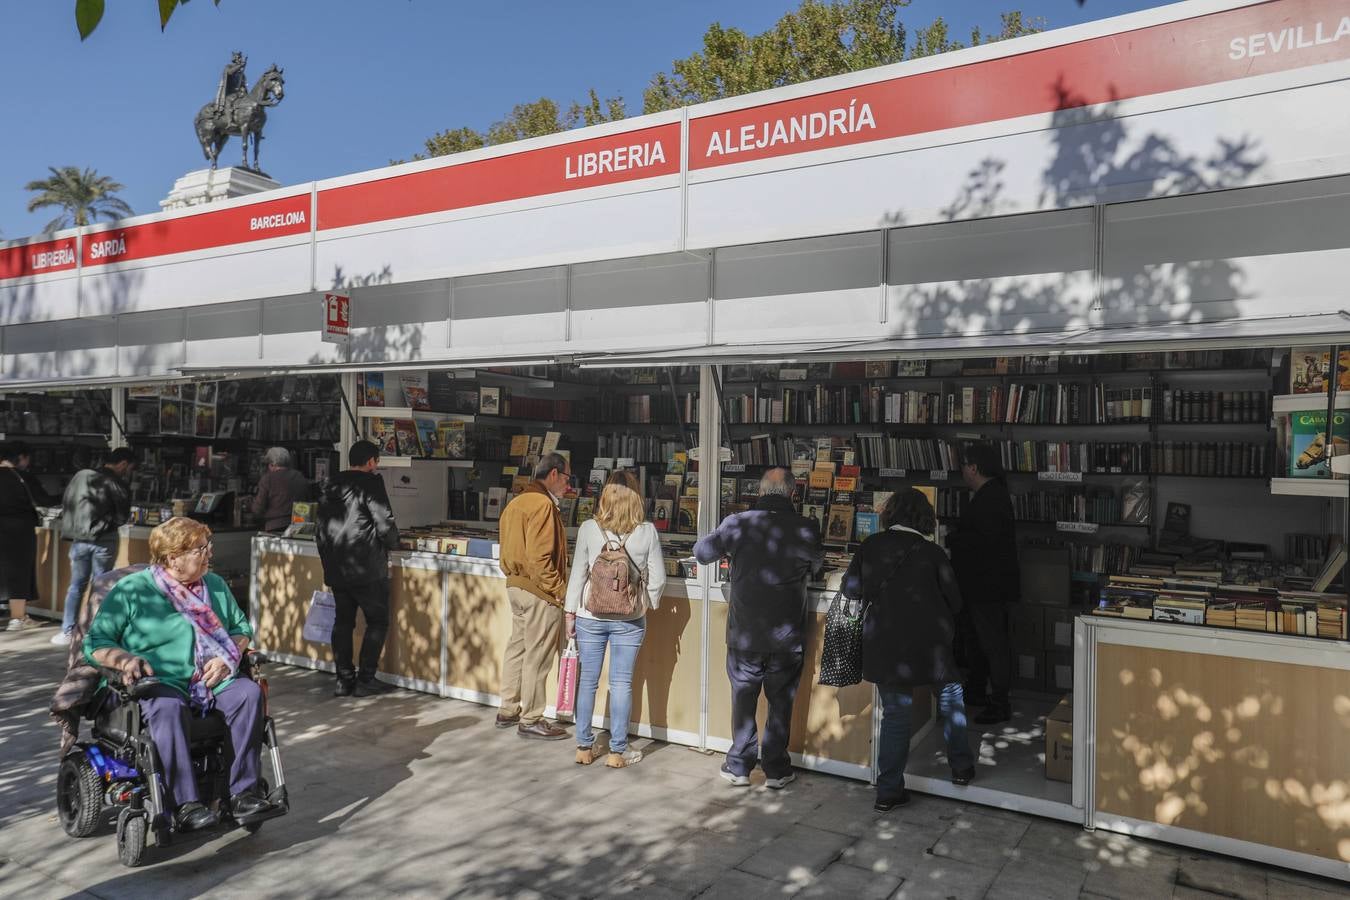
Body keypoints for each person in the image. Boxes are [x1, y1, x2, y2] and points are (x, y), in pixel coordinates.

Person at [83, 517, 273, 832]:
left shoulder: (214, 585)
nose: (209, 554)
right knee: (167, 707)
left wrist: (229, 658)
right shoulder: (133, 590)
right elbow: (97, 643)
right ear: (174, 558)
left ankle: (243, 793)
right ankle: (185, 804)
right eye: (201, 549)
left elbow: (241, 629)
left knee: (248, 694)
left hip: (213, 677)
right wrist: (126, 659)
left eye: (208, 547)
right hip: (162, 680)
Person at [843, 489, 975, 812]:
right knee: (950, 696)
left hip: (885, 645)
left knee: (896, 715)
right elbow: (956, 602)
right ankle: (961, 768)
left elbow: (851, 590)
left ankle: (888, 790)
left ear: (890, 514)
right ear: (924, 518)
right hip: (931, 647)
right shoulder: (933, 553)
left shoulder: (870, 546)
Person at [694, 467, 823, 789]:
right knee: (781, 700)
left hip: (745, 631)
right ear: (793, 493)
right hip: (786, 634)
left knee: (743, 695)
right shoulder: (806, 528)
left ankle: (739, 765)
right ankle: (777, 769)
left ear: (759, 492)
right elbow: (817, 566)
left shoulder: (737, 524)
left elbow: (702, 553)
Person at [564, 471, 666, 768]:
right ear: (636, 497)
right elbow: (658, 579)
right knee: (621, 683)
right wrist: (648, 603)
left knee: (588, 682)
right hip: (630, 619)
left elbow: (578, 573)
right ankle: (617, 752)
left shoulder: (587, 528)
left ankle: (584, 747)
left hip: (589, 615)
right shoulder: (647, 531)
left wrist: (571, 611)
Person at [316, 440, 400, 698]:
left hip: (337, 566)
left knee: (342, 622)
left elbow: (320, 527)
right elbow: (383, 520)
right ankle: (366, 679)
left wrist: (327, 559)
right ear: (372, 461)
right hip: (366, 565)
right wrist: (394, 543)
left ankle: (344, 679)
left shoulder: (330, 485)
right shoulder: (371, 483)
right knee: (377, 620)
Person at [496, 452, 571, 740]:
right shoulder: (543, 505)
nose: (567, 485)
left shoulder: (516, 503)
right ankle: (531, 718)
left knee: (517, 647)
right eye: (566, 478)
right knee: (537, 655)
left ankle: (508, 708)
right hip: (539, 591)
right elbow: (540, 559)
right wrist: (560, 591)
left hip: (516, 586)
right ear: (553, 474)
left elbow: (509, 551)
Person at [948, 442, 1020, 725]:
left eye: (964, 467)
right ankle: (978, 690)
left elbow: (982, 544)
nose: (963, 472)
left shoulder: (988, 499)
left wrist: (953, 539)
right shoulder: (993, 495)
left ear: (973, 468)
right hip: (985, 586)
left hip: (987, 587)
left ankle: (999, 701)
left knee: (992, 644)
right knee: (978, 641)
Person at [54, 447, 135, 645]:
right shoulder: (117, 483)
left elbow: (67, 502)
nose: (129, 472)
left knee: (75, 586)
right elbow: (122, 516)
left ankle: (68, 630)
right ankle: (92, 629)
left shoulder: (82, 476)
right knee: (100, 586)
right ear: (123, 464)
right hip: (104, 540)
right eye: (130, 467)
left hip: (79, 540)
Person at [0, 441, 55, 632]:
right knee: (19, 571)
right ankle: (18, 618)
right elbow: (44, 500)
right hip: (19, 530)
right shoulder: (22, 477)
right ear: (21, 457)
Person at [251, 446, 311, 533]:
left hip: (275, 526)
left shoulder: (268, 479)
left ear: (272, 464)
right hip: (299, 526)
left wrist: (251, 505)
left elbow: (258, 508)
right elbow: (307, 501)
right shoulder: (300, 477)